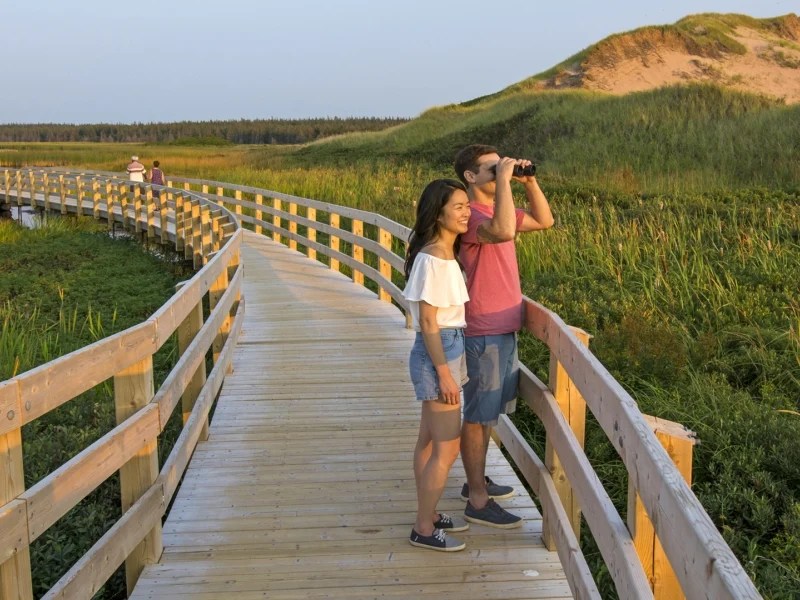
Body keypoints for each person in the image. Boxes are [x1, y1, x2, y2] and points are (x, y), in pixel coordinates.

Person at [454, 144, 554, 529]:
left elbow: (544, 221)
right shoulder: (472, 218)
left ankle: (475, 482)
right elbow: (502, 229)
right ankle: (477, 500)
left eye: (501, 166)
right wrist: (507, 182)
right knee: (479, 416)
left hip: (503, 325)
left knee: (489, 411)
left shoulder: (498, 209)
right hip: (484, 328)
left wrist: (528, 181)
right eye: (491, 168)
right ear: (470, 177)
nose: (500, 172)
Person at [403, 179, 472, 552]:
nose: (466, 212)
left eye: (467, 205)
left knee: (429, 442)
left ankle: (427, 515)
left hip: (446, 346)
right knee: (447, 448)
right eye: (458, 206)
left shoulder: (444, 253)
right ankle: (423, 529)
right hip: (439, 351)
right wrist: (445, 372)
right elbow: (428, 322)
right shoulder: (432, 258)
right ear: (439, 211)